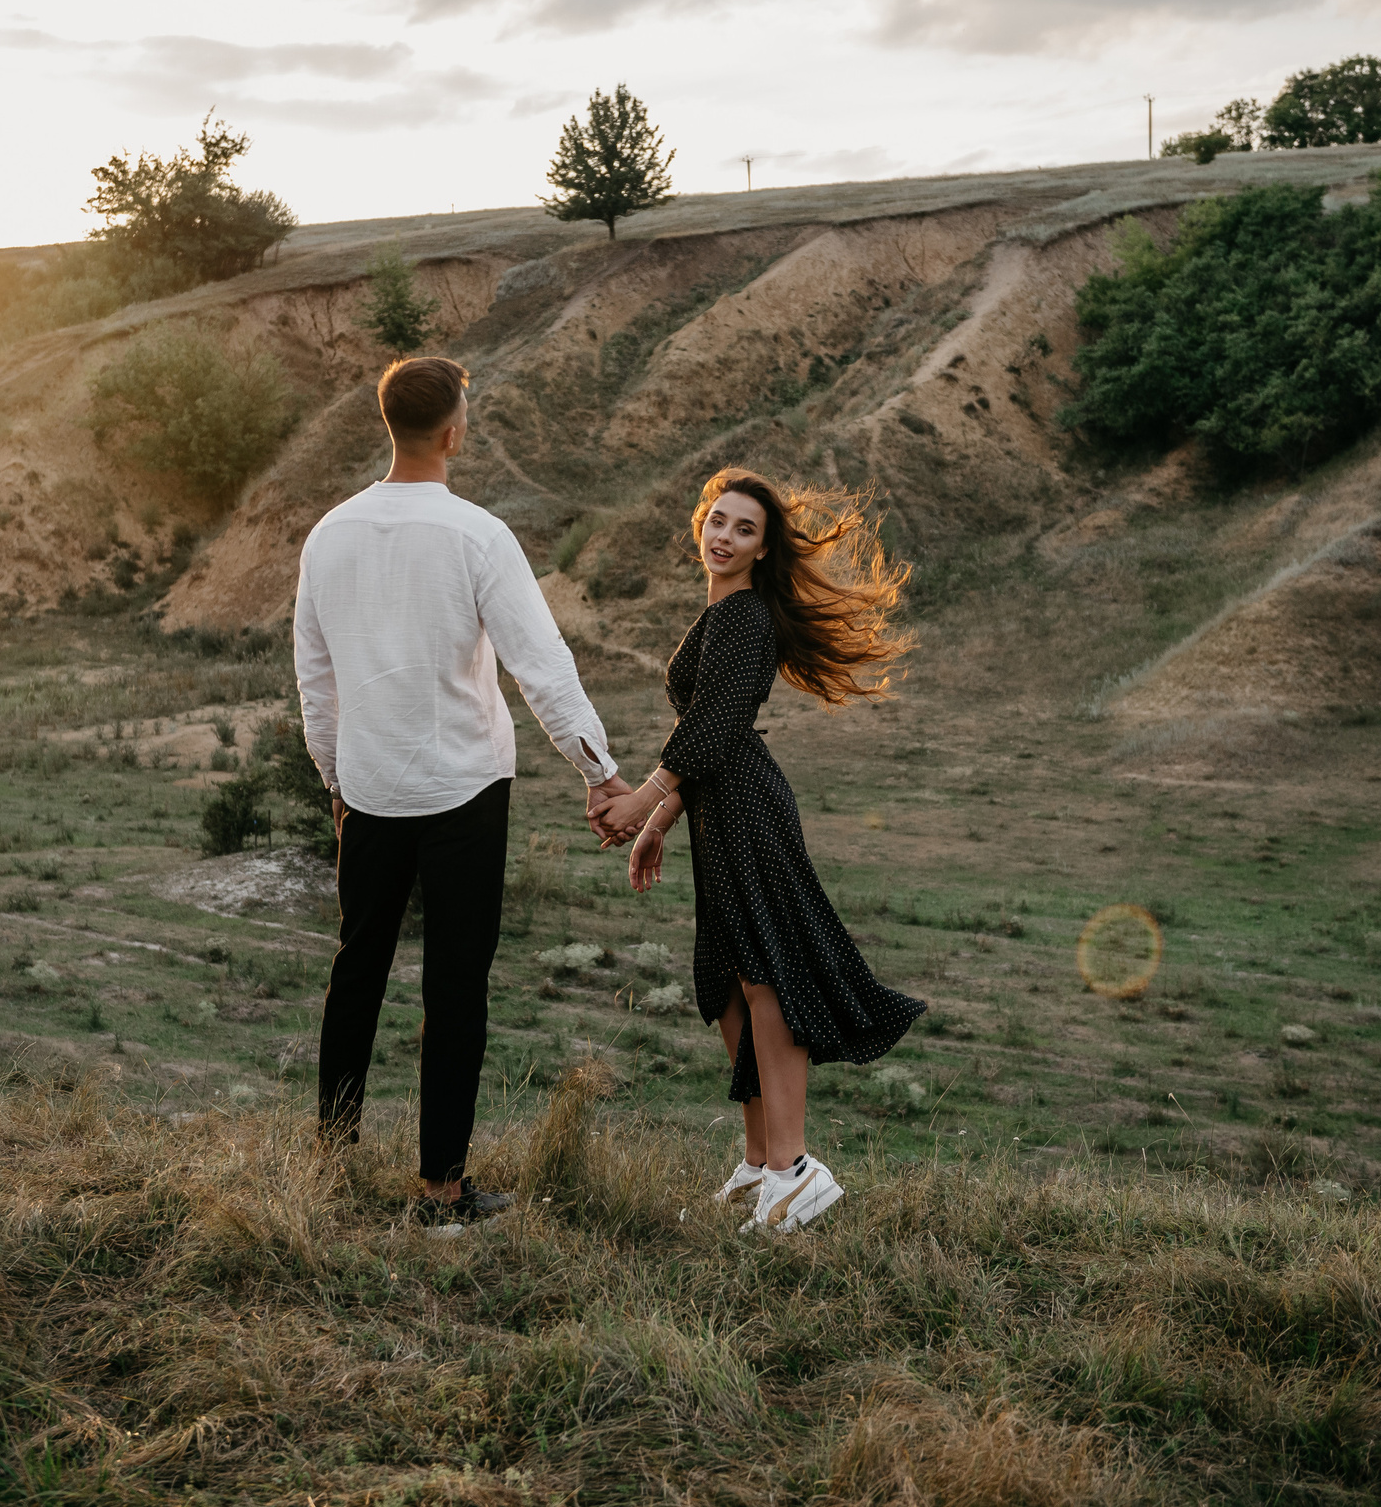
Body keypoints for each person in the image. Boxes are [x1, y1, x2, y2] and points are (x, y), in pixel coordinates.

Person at [295, 355, 633, 1234]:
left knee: (355, 969)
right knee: (455, 989)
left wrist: (335, 777)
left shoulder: (328, 534)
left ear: (388, 425)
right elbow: (540, 665)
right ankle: (442, 1193)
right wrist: (598, 771)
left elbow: (315, 678)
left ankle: (332, 1159)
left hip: (367, 792)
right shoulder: (480, 536)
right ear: (454, 431)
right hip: (462, 794)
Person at [595, 470, 924, 1233]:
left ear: (764, 546)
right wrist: (661, 819)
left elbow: (717, 725)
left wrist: (642, 799)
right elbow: (712, 736)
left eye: (745, 528)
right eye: (718, 520)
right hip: (718, 805)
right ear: (699, 524)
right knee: (727, 984)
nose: (725, 536)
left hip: (747, 808)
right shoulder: (720, 612)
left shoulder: (744, 616)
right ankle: (758, 1160)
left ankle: (794, 1168)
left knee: (764, 977)